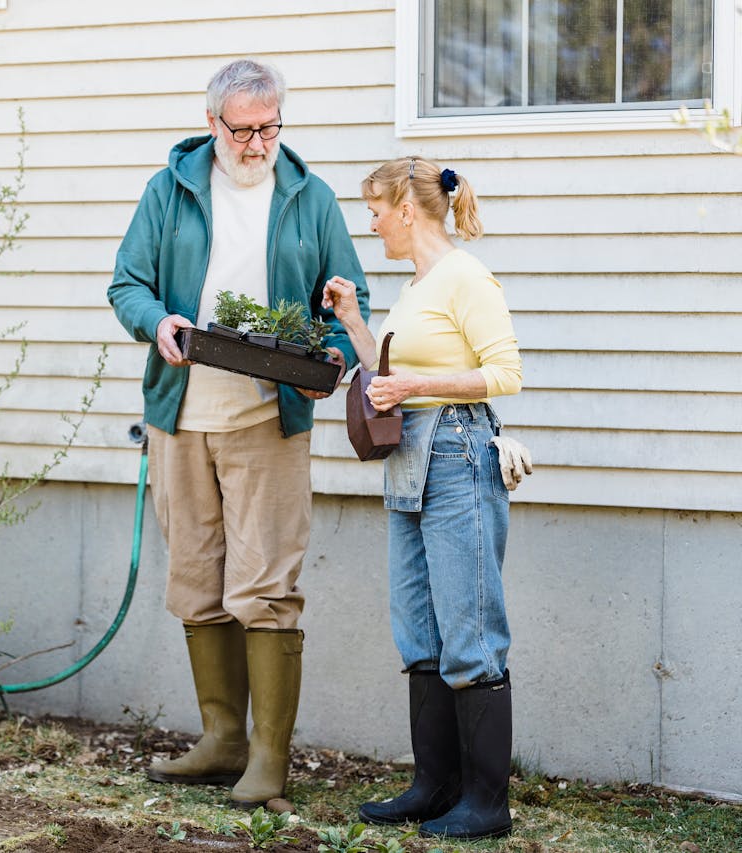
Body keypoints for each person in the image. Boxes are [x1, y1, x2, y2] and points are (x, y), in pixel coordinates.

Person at [107, 58, 370, 808]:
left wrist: (333, 357)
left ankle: (267, 758)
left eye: (270, 127)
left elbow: (350, 300)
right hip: (182, 415)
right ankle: (221, 738)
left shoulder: (308, 197)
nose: (258, 144)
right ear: (213, 124)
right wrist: (157, 322)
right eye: (244, 130)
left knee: (265, 585)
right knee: (196, 579)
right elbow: (127, 282)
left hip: (268, 415)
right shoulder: (172, 190)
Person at [322, 156, 532, 840]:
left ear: (406, 211)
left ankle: (486, 803)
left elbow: (505, 372)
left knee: (469, 629)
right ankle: (434, 785)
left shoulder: (466, 276)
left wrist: (412, 387)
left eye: (376, 211)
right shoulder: (416, 287)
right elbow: (387, 374)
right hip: (410, 461)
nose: (373, 224)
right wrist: (356, 320)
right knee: (419, 630)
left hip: (457, 454)